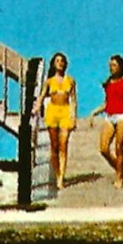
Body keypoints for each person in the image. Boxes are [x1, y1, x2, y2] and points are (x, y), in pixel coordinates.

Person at [36, 52, 78, 189]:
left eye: (62, 61)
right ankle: (57, 172)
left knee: (63, 144)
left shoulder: (71, 80)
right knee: (54, 146)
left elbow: (73, 101)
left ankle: (61, 178)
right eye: (57, 61)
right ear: (54, 64)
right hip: (53, 112)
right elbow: (42, 96)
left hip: (65, 111)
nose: (60, 63)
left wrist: (73, 118)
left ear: (65, 64)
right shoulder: (49, 81)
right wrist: (36, 108)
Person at [97, 54, 123, 188]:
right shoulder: (108, 83)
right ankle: (118, 168)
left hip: (121, 117)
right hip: (109, 116)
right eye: (110, 65)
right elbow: (106, 103)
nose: (111, 68)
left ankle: (119, 177)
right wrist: (94, 113)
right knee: (103, 149)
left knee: (119, 148)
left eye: (114, 65)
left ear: (120, 67)